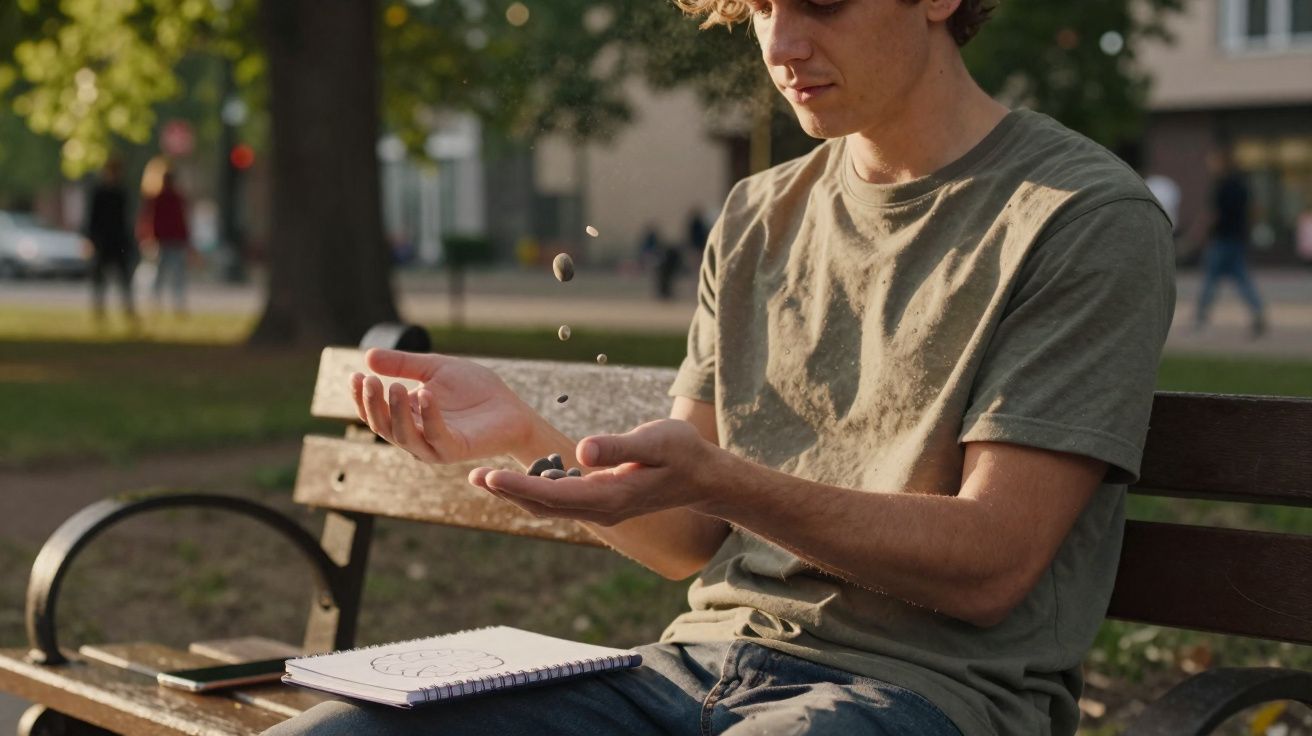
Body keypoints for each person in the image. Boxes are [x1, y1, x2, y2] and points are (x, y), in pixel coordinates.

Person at [268, 1, 1175, 734]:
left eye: (820, 2)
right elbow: (688, 539)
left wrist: (733, 484)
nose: (782, 43)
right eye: (761, 6)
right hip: (686, 672)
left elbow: (993, 564)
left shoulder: (1078, 217)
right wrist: (525, 434)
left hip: (921, 696)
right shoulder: (759, 215)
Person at [1194, 145, 1266, 338]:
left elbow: (1213, 215)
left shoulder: (1221, 187)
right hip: (1237, 239)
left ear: (1222, 164)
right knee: (1242, 279)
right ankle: (1258, 312)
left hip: (1221, 239)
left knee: (1210, 279)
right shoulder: (1242, 185)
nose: (1210, 166)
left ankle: (1200, 318)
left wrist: (1200, 235)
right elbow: (1255, 209)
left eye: (1213, 162)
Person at [83, 158, 137, 324]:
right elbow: (92, 220)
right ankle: (99, 312)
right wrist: (90, 240)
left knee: (124, 280)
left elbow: (125, 221)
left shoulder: (121, 193)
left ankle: (127, 312)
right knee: (100, 280)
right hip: (103, 242)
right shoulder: (100, 193)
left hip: (118, 242)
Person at [140, 169, 193, 316]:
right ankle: (159, 304)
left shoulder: (172, 198)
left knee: (174, 275)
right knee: (164, 274)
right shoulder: (162, 199)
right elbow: (153, 220)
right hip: (165, 241)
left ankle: (176, 305)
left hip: (172, 241)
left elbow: (181, 220)